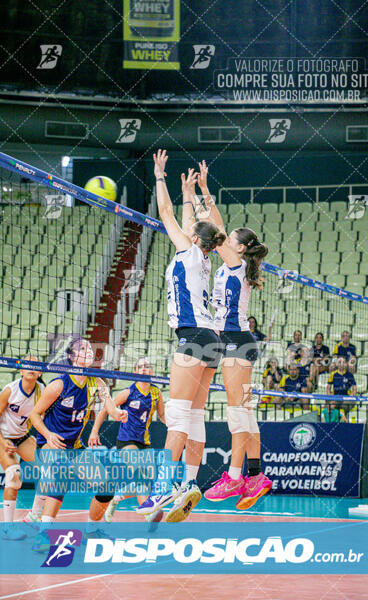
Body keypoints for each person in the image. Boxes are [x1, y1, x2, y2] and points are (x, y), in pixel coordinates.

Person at [136, 151, 225, 521]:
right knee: (196, 414)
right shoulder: (204, 256)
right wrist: (193, 191)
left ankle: (160, 490)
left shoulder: (188, 250)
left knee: (177, 415)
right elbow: (193, 220)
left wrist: (160, 177)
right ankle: (189, 483)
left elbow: (168, 214)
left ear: (193, 238)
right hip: (214, 341)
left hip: (192, 335)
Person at [186, 160, 272, 509]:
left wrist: (203, 191)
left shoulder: (235, 265)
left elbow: (216, 227)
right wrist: (203, 192)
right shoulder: (234, 266)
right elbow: (219, 230)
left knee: (237, 413)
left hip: (235, 342)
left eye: (230, 240)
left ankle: (234, 477)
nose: (224, 240)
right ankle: (256, 476)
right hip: (239, 343)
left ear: (237, 248)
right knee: (246, 413)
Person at [27, 337, 128, 523]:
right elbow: (34, 414)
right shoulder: (59, 384)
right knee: (60, 474)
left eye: (90, 347)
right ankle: (44, 531)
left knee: (106, 488)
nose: (89, 350)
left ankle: (92, 528)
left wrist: (118, 413)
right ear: (73, 357)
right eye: (82, 348)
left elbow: (111, 407)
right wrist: (48, 435)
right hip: (51, 445)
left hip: (74, 447)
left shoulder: (97, 382)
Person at [87, 357, 166, 524]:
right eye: (140, 367)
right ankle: (148, 515)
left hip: (144, 442)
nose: (144, 369)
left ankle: (116, 498)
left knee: (145, 483)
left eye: (147, 367)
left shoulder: (156, 392)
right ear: (135, 372)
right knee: (140, 475)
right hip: (126, 441)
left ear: (151, 371)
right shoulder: (128, 392)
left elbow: (162, 415)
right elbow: (105, 410)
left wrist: (175, 428)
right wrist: (94, 431)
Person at [0, 356, 44, 528]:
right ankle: (7, 528)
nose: (31, 367)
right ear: (21, 370)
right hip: (3, 437)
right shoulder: (10, 390)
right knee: (13, 475)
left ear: (40, 372)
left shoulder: (42, 390)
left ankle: (34, 515)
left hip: (22, 437)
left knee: (49, 472)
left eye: (35, 364)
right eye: (27, 364)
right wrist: (3, 443)